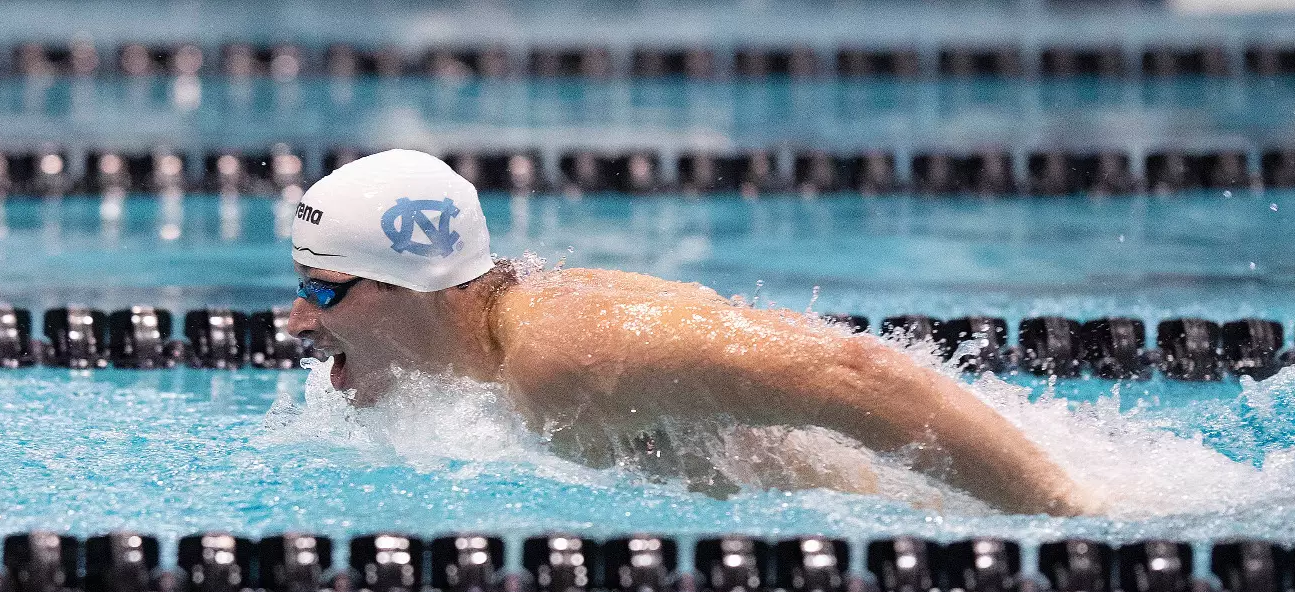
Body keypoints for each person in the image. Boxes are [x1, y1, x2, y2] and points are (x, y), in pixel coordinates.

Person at [284, 148, 1101, 516]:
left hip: (940, 512)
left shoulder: (567, 354)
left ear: (411, 286)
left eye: (321, 289)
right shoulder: (502, 356)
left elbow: (858, 373)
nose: (298, 322)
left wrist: (1071, 516)